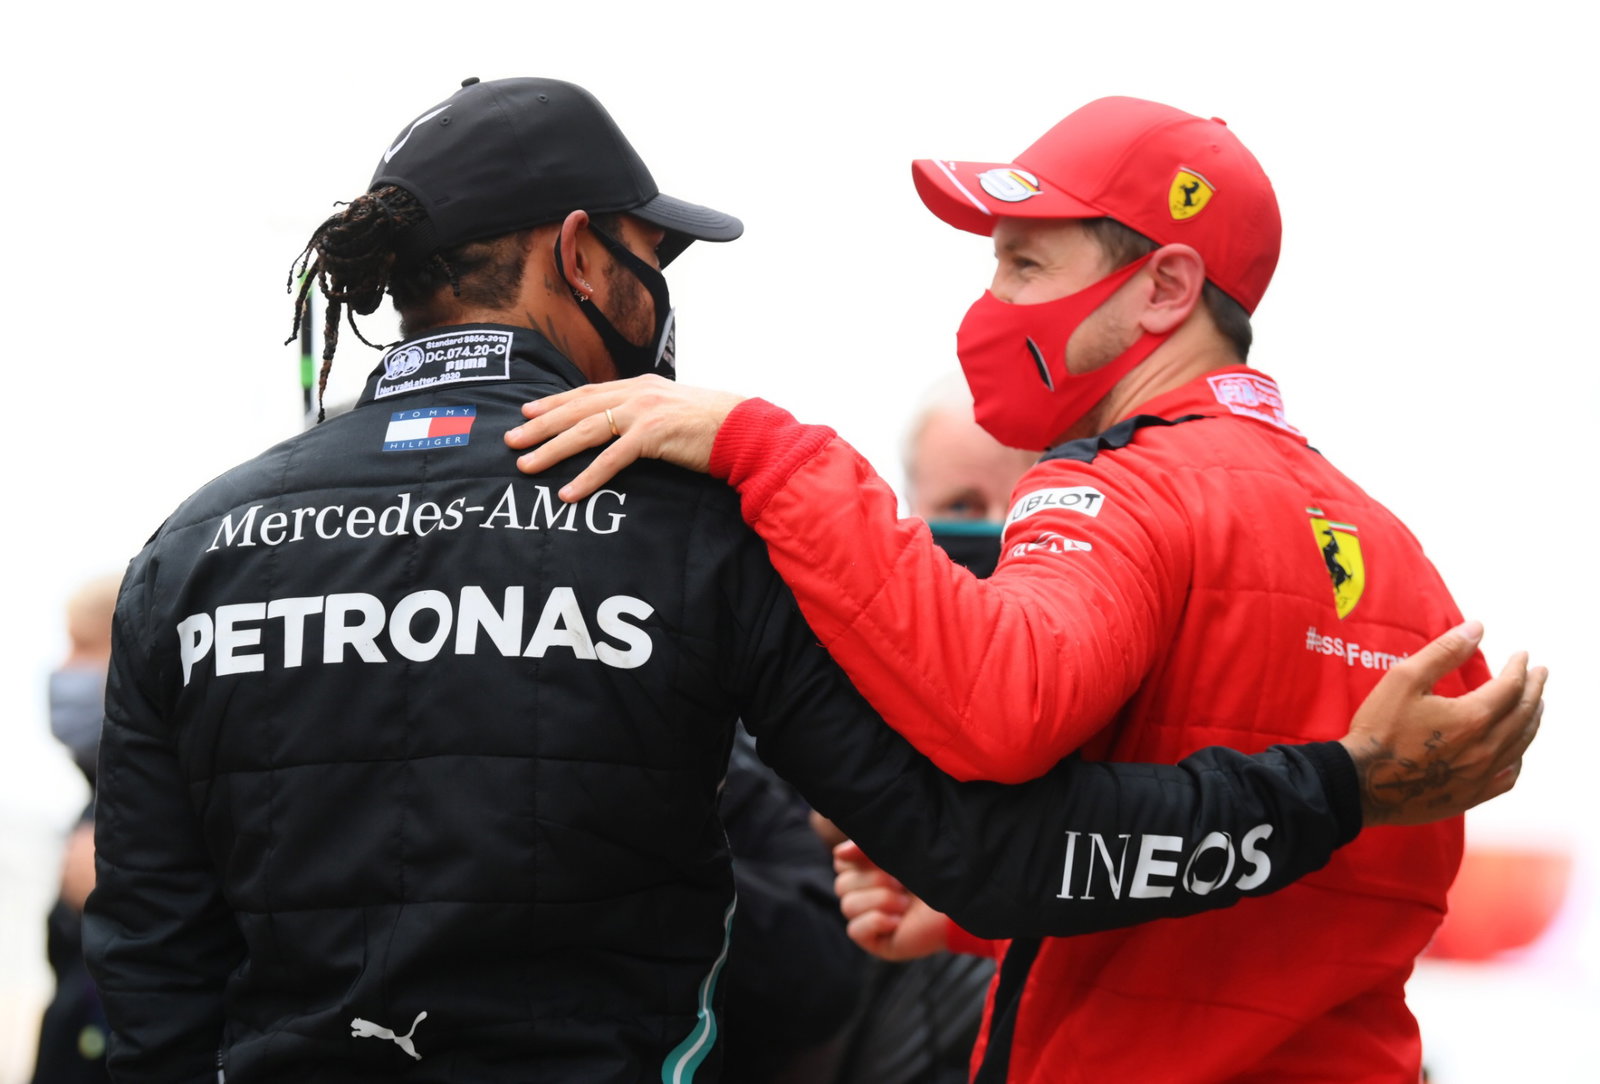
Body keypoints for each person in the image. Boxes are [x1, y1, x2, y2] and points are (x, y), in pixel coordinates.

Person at [83, 79, 1540, 1084]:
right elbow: (987, 842)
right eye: (654, 262)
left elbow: (145, 975)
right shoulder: (686, 524)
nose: (661, 306)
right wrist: (1335, 790)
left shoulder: (189, 549)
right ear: (580, 255)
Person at [504, 96, 1548, 1081]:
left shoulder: (1117, 488)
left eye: (1022, 263)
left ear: (1165, 287)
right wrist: (984, 915)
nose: (989, 302)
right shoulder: (1395, 548)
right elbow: (1319, 873)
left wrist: (767, 450)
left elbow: (1001, 709)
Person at [32, 574, 121, 1084]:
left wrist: (119, 890)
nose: (64, 670)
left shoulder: (169, 801)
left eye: (84, 647)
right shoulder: (97, 797)